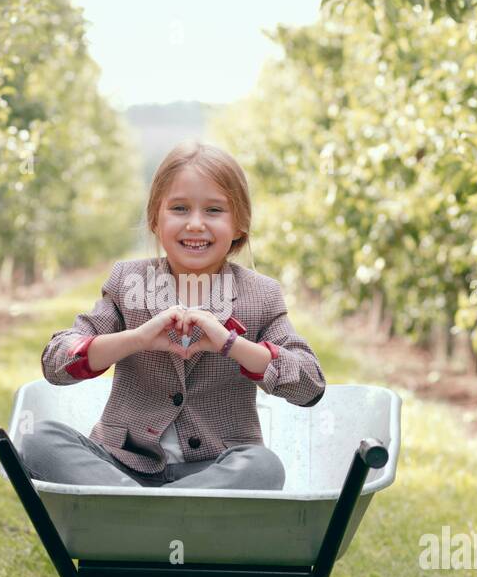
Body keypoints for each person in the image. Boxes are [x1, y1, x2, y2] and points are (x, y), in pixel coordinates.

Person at [19, 140, 326, 490]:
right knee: (38, 439)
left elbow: (310, 385)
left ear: (240, 224)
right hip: (123, 464)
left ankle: (134, 509)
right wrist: (136, 339)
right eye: (179, 208)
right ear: (155, 218)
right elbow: (56, 363)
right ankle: (155, 507)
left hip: (214, 468)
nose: (195, 224)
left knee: (263, 466)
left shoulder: (261, 294)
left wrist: (231, 344)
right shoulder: (127, 281)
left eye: (214, 211)